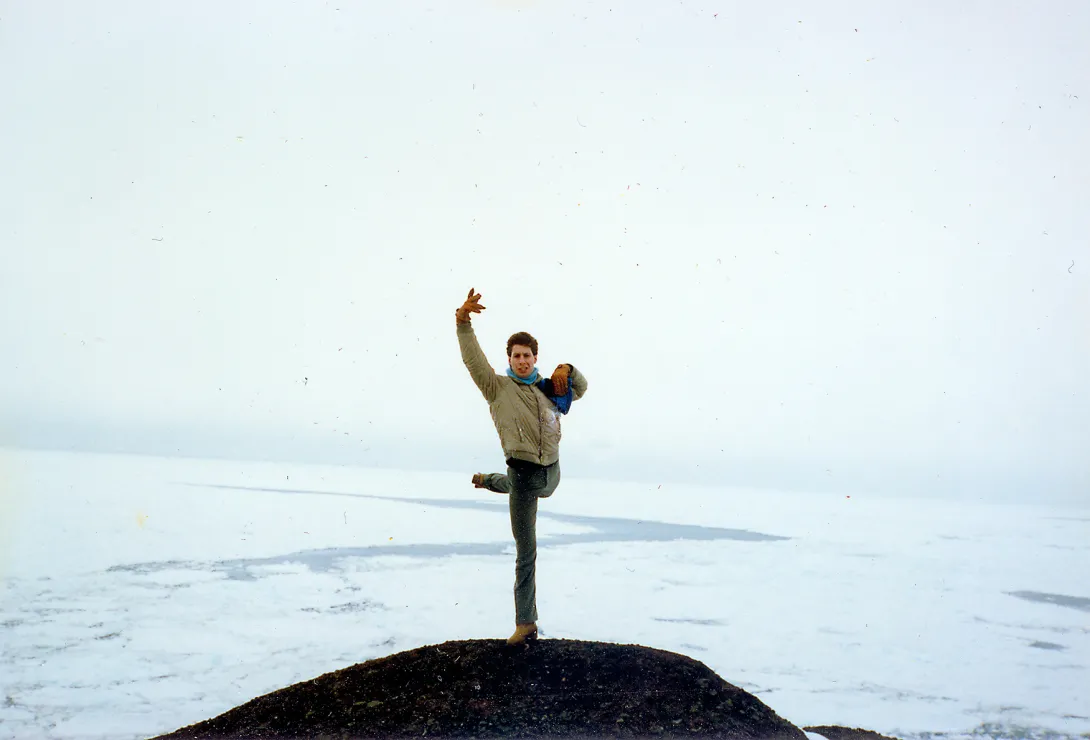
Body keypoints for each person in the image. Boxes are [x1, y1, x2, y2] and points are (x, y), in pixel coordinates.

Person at [455, 288, 588, 645]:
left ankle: (491, 480)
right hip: (524, 473)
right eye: (516, 356)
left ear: (535, 357)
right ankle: (526, 621)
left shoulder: (549, 389)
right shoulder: (497, 388)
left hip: (552, 471)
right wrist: (462, 321)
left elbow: (583, 388)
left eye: (527, 356)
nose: (522, 361)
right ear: (509, 359)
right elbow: (473, 360)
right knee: (526, 550)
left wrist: (569, 369)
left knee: (538, 488)